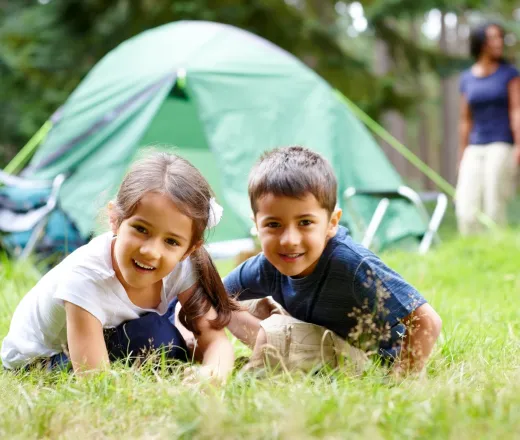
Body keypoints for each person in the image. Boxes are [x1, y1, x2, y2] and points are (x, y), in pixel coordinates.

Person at [1, 152, 239, 383]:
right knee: (158, 340)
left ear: (189, 249)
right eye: (141, 229)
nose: (151, 251)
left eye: (171, 241)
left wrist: (212, 376)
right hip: (41, 362)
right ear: (115, 219)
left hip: (113, 331)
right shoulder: (85, 278)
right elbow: (96, 380)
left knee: (163, 338)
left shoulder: (184, 266)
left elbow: (215, 340)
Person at [224, 146, 442, 376]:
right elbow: (214, 292)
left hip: (367, 358)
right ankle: (271, 351)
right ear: (257, 225)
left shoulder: (352, 264)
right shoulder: (266, 265)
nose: (289, 240)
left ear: (332, 223)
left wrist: (401, 382)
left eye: (305, 222)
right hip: (317, 335)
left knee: (272, 328)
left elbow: (427, 321)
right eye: (273, 225)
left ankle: (269, 356)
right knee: (229, 303)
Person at [457, 22, 520, 235]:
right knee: (465, 206)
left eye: (500, 37)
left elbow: (516, 111)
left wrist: (519, 145)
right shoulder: (467, 78)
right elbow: (465, 119)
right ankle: (472, 249)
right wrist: (463, 151)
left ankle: (496, 249)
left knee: (494, 202)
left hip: (501, 143)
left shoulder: (509, 74)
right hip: (475, 146)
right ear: (481, 43)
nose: (499, 42)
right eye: (493, 38)